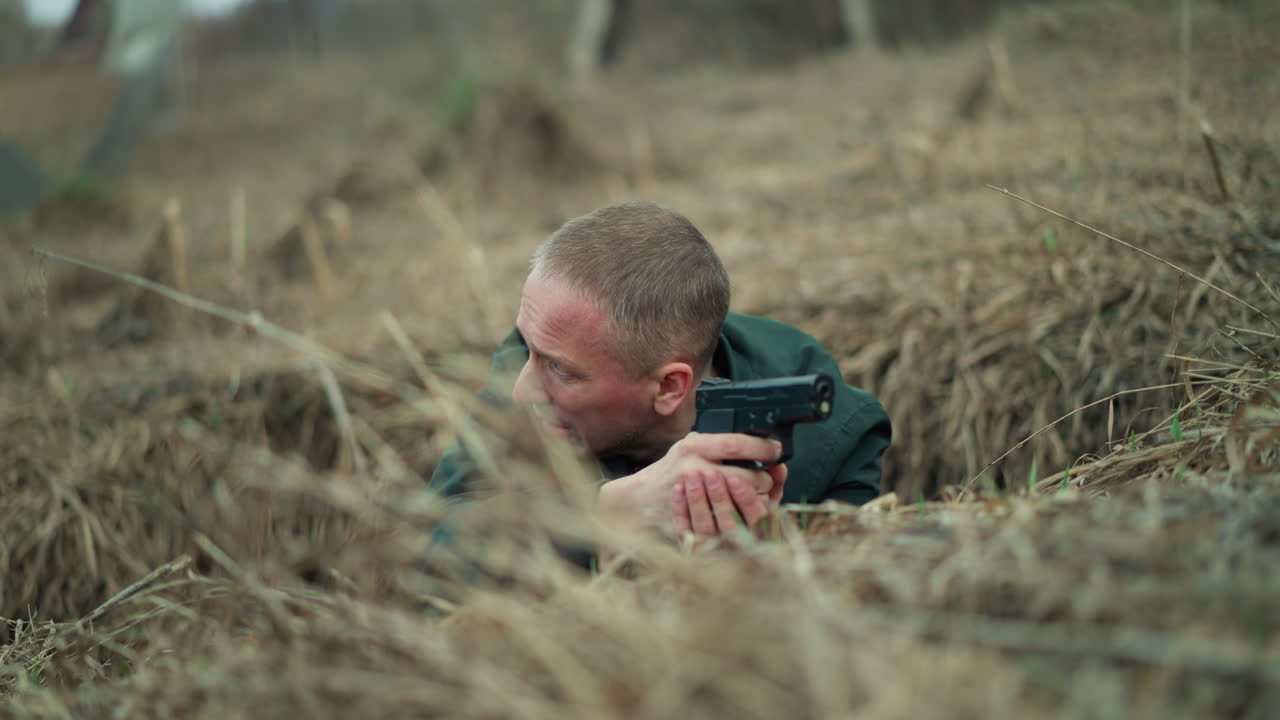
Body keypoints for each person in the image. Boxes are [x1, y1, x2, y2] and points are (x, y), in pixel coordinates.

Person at [429, 201, 891, 540]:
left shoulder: (831, 439)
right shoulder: (542, 347)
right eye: (530, 350)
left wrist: (758, 545)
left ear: (670, 387)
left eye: (562, 372)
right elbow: (424, 543)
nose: (521, 391)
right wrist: (610, 511)